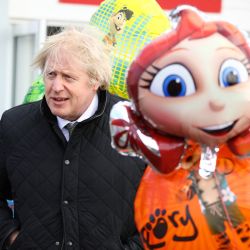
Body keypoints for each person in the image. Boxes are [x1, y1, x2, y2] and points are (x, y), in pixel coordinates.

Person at [0, 25, 145, 249]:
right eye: (51, 75)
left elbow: (161, 205)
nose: (56, 86)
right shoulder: (14, 125)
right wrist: (10, 238)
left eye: (68, 77)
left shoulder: (135, 125)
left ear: (95, 80)